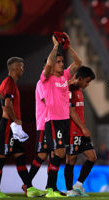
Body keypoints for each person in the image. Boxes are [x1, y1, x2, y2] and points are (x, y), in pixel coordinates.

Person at [0, 57, 45, 198]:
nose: (23, 69)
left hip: (12, 126)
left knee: (20, 157)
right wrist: (15, 120)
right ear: (15, 67)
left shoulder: (8, 84)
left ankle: (29, 188)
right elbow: (8, 105)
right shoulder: (9, 83)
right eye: (21, 67)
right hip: (8, 126)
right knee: (1, 158)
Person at [41, 33, 81, 197]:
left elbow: (78, 63)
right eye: (58, 62)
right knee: (59, 154)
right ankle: (50, 188)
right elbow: (49, 63)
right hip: (53, 120)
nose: (61, 64)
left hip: (64, 120)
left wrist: (68, 47)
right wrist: (56, 47)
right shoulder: (46, 77)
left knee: (59, 154)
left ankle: (51, 188)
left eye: (62, 61)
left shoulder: (65, 75)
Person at [64, 66, 96, 197]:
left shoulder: (78, 89)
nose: (87, 84)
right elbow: (71, 111)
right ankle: (69, 190)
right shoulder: (69, 88)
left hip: (80, 130)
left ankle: (78, 185)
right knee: (71, 159)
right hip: (73, 130)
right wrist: (83, 128)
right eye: (87, 81)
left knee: (92, 157)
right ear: (80, 78)